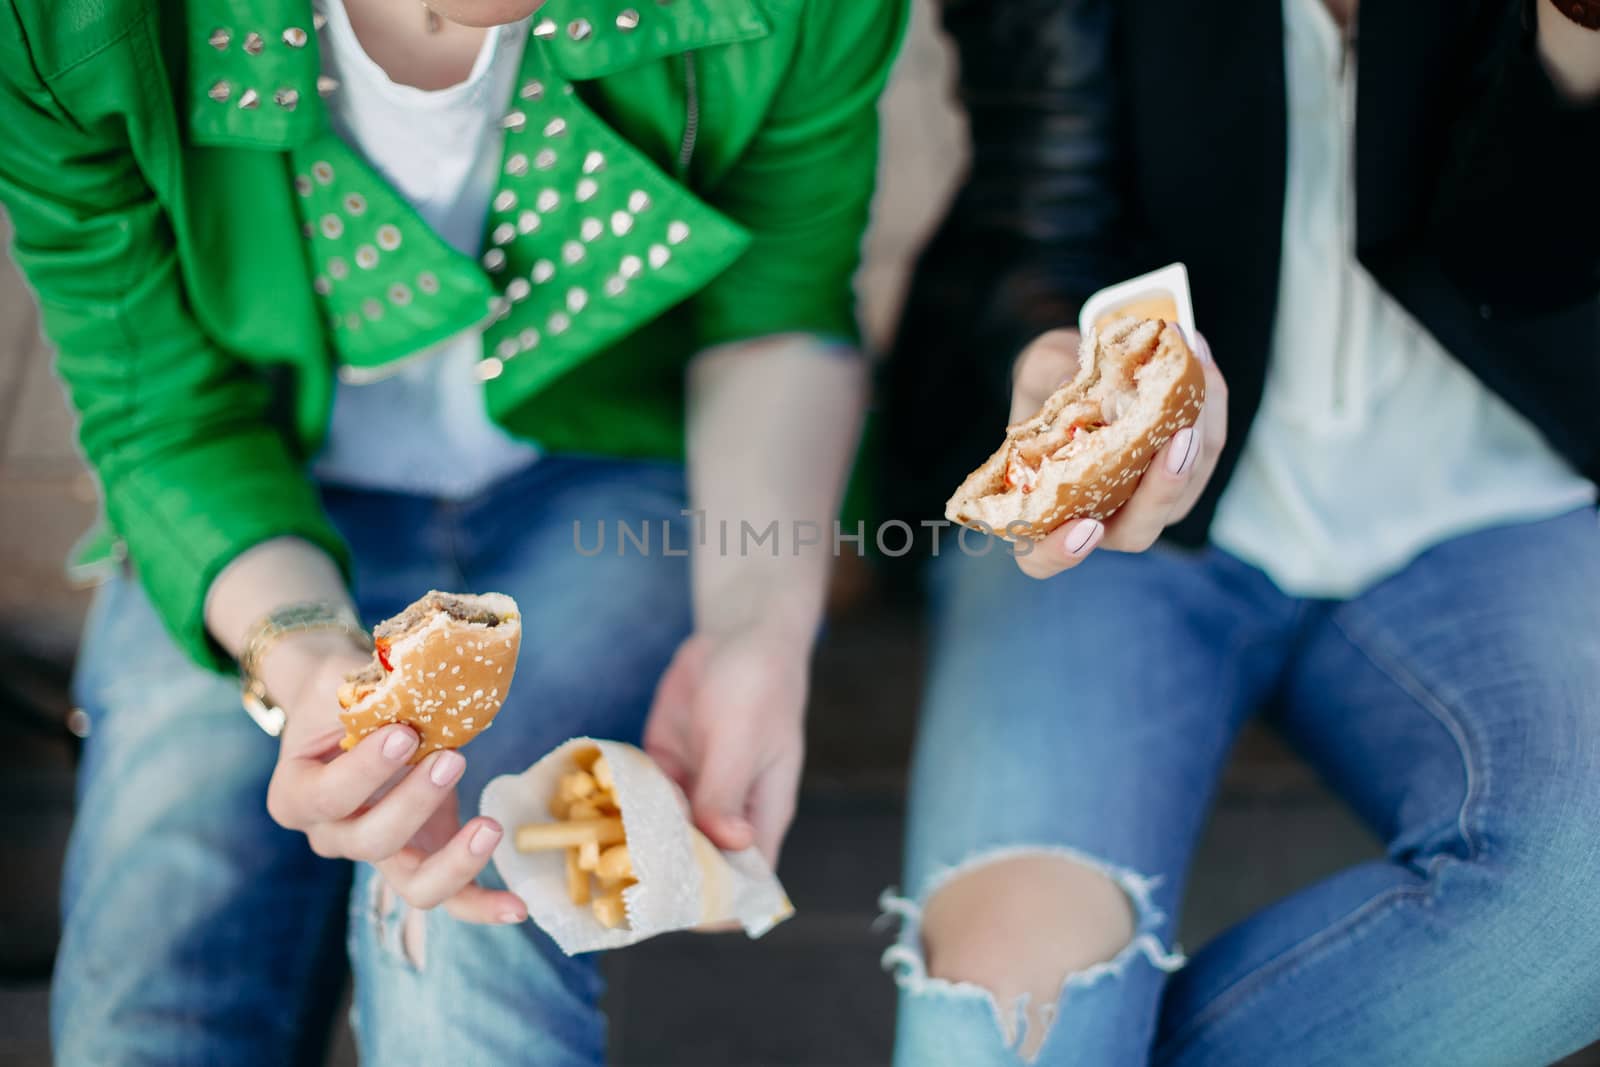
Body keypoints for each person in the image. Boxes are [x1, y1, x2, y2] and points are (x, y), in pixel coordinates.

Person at [0, 0, 905, 1061]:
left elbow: (777, 309)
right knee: (148, 1002)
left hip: (605, 466)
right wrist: (303, 654)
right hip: (249, 494)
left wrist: (759, 626)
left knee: (476, 930)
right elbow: (159, 405)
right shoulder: (61, 23)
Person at [881, 0, 1600, 1063]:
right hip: (1126, 533)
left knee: (1572, 905)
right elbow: (1041, 218)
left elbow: (1527, 262)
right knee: (1002, 1020)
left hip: (1494, 501)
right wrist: (1067, 375)